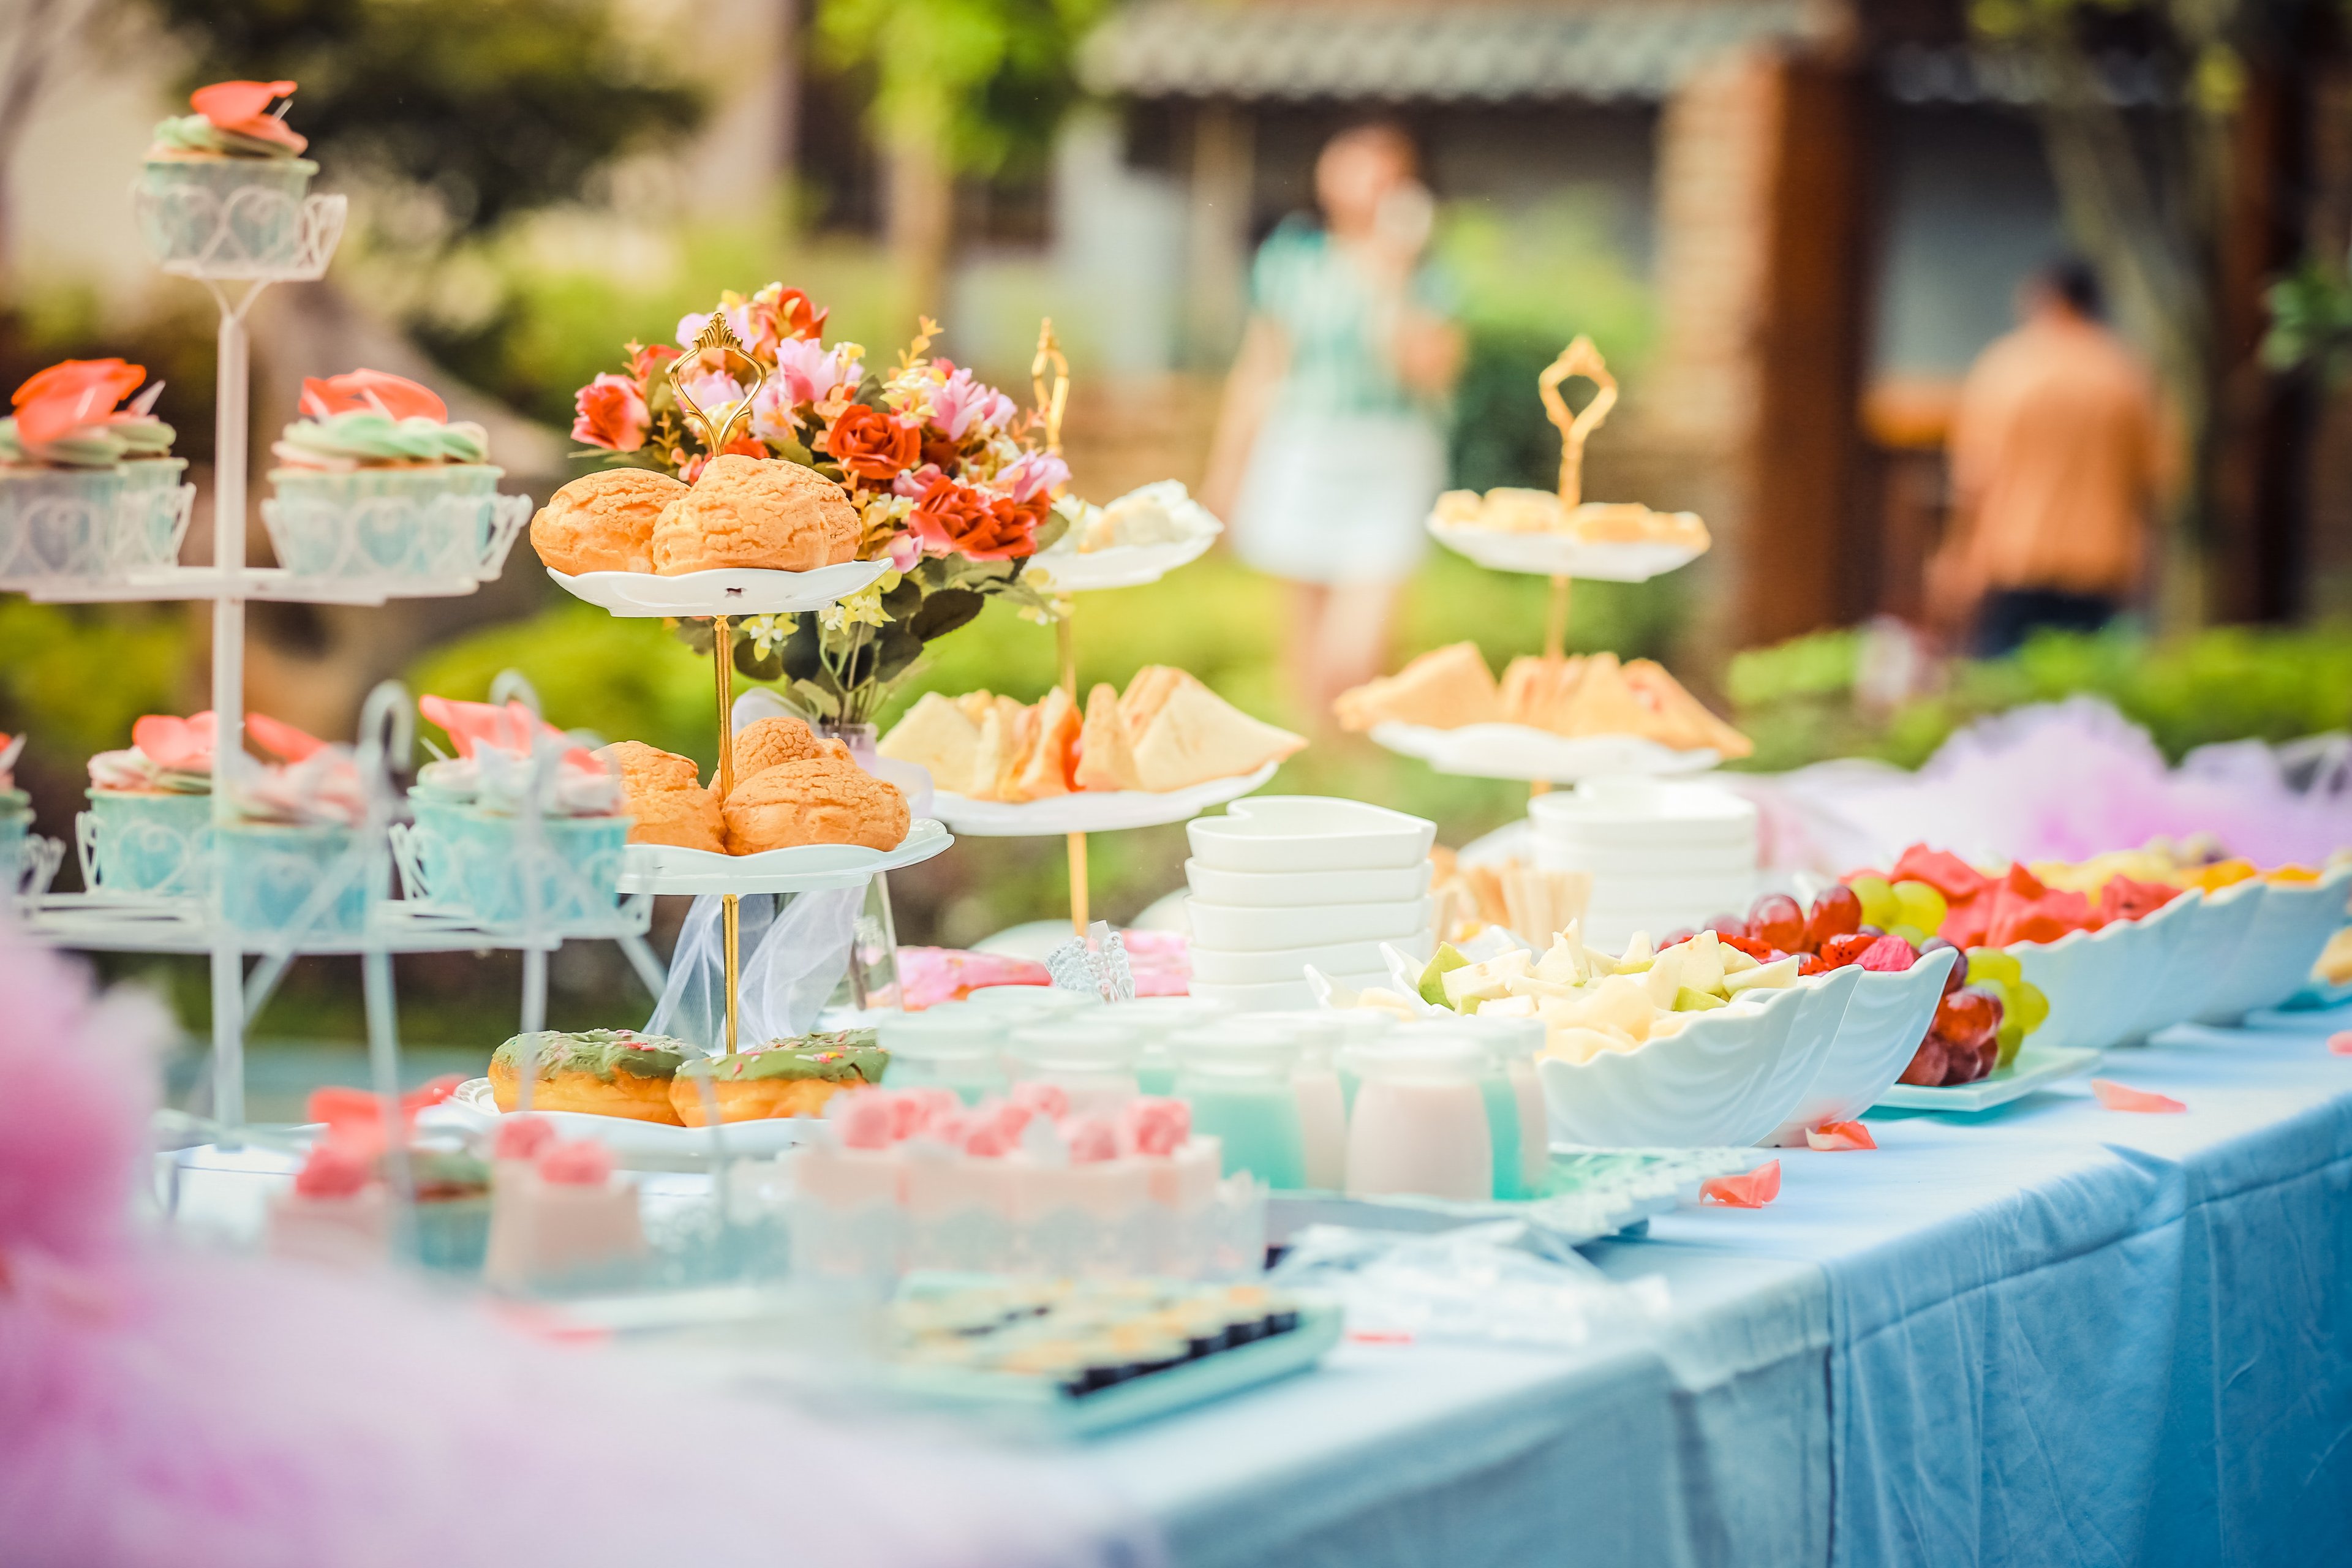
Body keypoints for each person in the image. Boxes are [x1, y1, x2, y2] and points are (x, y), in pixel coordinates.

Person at [1200, 121, 1463, 722]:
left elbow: (1428, 372)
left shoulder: (1426, 275)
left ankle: (1360, 762)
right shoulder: (1295, 260)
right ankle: (1324, 771)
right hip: (1304, 447)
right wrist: (1226, 476)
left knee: (1356, 652)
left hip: (1388, 455)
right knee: (1304, 646)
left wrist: (1392, 277)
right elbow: (1259, 370)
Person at [1929, 257, 2169, 657]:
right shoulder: (2128, 374)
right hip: (2103, 560)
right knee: (2087, 694)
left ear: (2048, 299)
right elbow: (2155, 481)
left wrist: (1957, 554)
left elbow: (1973, 477)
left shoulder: (2008, 368)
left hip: (2015, 554)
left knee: (2004, 687)